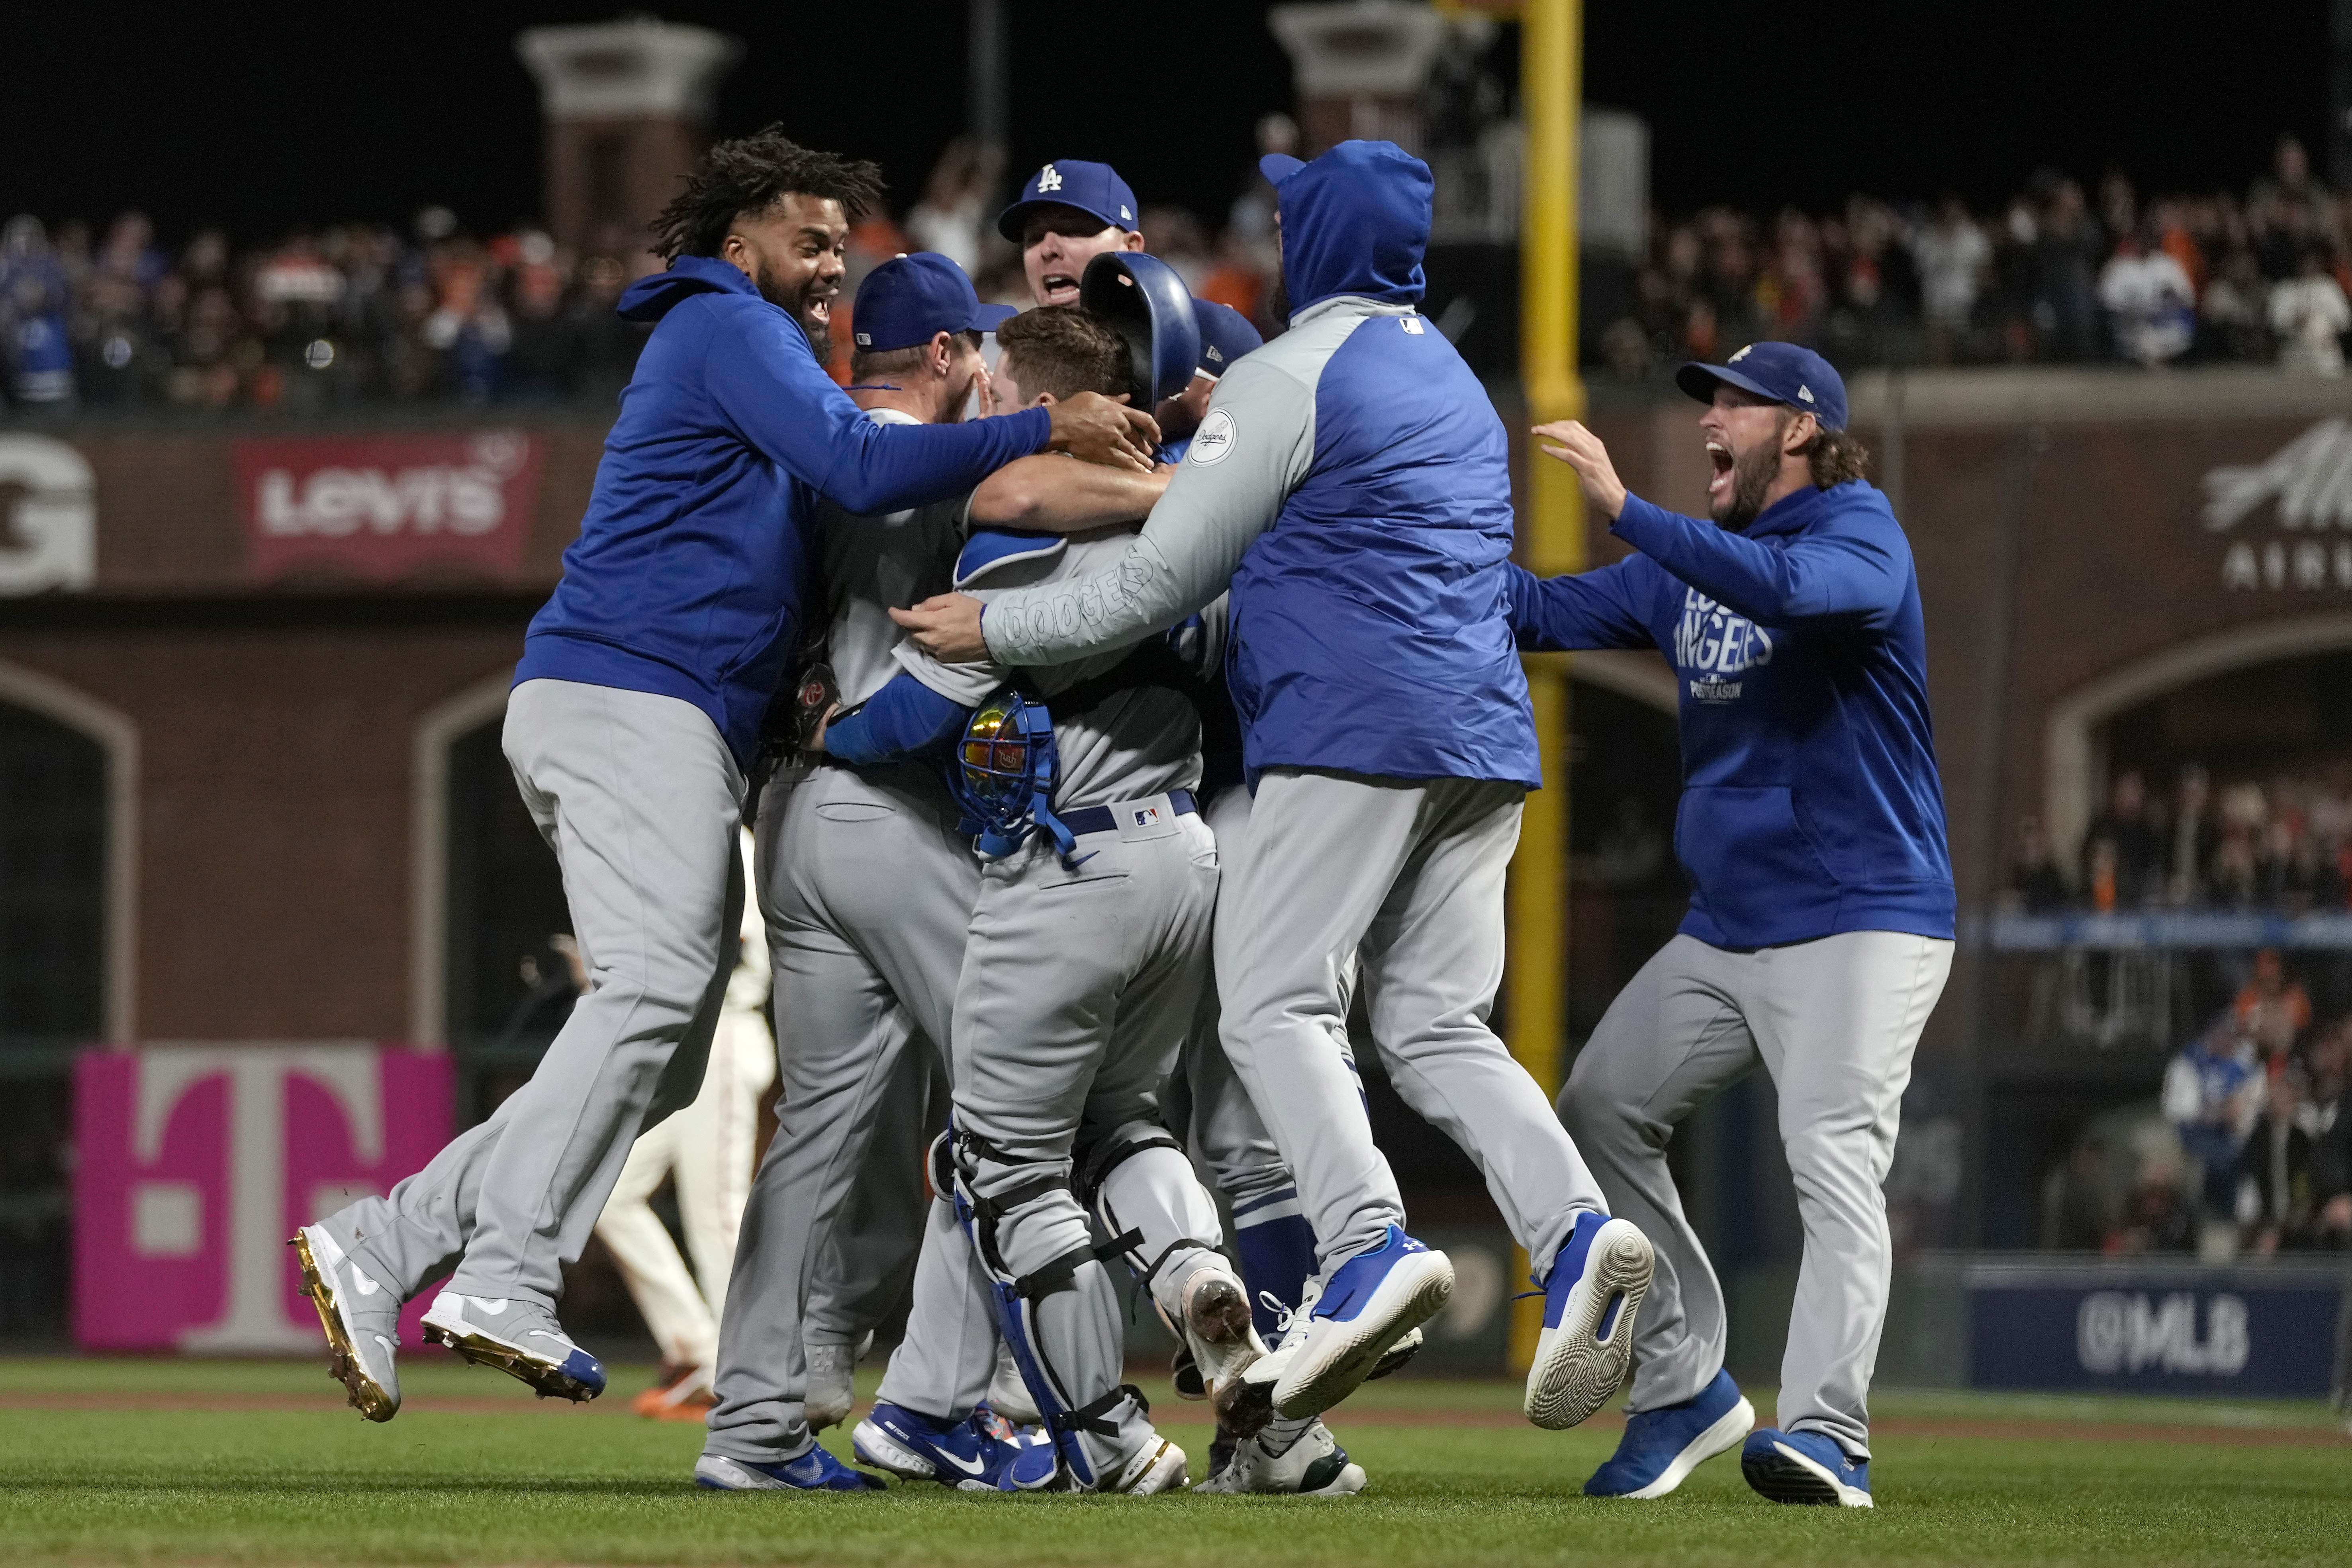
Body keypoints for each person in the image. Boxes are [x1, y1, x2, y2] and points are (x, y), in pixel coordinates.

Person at [288, 131, 1154, 1456]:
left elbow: (856, 476)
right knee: (651, 996)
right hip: (631, 694)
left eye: (837, 247)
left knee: (671, 1039)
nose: (827, 268)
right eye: (808, 242)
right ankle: (506, 1272)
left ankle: (385, 1237)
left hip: (654, 711)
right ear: (736, 243)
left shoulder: (759, 356)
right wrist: (1056, 418)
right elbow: (870, 467)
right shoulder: (719, 322)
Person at [894, 140, 1653, 1443]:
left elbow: (1153, 582)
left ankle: (1364, 1246)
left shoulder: (1290, 372)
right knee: (1431, 1022)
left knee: (1271, 1001)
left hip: (1350, 726)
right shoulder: (1458, 386)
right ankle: (1574, 1228)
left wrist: (996, 632)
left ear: (1319, 244)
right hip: (1482, 740)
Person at [693, 256, 1173, 1492]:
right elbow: (1031, 484)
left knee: (814, 1138)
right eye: (987, 366)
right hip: (881, 810)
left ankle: (757, 1421)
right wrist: (1184, 485)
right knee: (1021, 1102)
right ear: (954, 357)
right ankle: (1000, 1408)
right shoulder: (924, 452)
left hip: (793, 824)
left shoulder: (819, 448)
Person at [825, 303, 1261, 1495]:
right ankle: (1188, 1273)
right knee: (1124, 1128)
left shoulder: (1028, 527)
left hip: (1069, 867)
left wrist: (822, 723)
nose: (983, 409)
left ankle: (1105, 1436)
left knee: (1004, 1169)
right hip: (1183, 854)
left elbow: (905, 717)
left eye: (999, 389)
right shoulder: (1196, 531)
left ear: (1032, 390)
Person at [1520, 341, 1954, 1507]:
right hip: (1730, 929)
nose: (1709, 416)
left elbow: (1791, 594)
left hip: (1864, 915)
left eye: (1733, 403)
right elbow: (1535, 609)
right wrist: (1388, 558)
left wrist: (1627, 512)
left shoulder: (1858, 531)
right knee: (1600, 1108)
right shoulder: (1688, 564)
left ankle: (1829, 1434)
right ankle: (1686, 1387)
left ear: (1800, 430)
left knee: (1831, 1168)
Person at [593, 830, 776, 1421]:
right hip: (677, 1042)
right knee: (611, 1197)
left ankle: (742, 1371)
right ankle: (698, 1347)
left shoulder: (729, 842)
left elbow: (737, 950)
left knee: (717, 1214)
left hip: (721, 1032)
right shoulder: (667, 830)